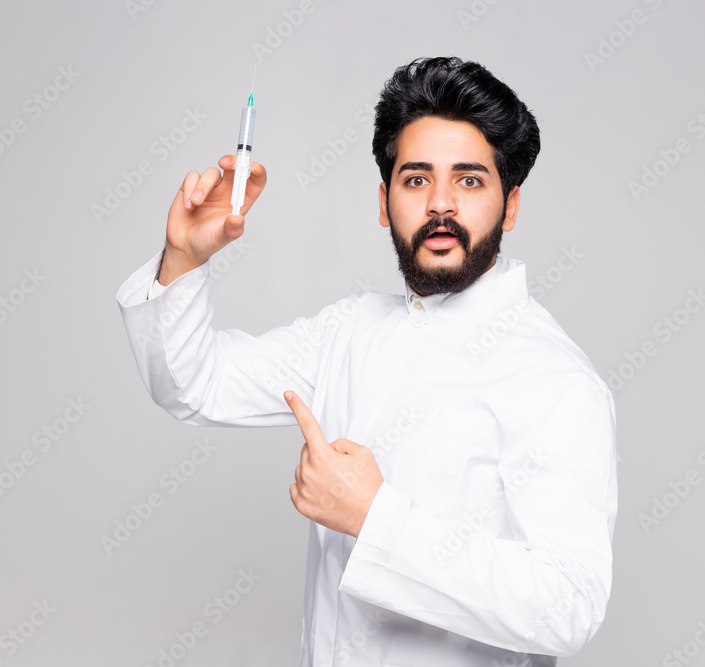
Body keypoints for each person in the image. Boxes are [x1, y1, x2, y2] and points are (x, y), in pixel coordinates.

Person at [116, 56, 617, 667]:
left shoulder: (554, 380)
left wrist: (376, 518)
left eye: (468, 181)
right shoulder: (350, 331)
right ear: (384, 202)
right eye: (415, 180)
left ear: (510, 206)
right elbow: (194, 385)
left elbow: (567, 607)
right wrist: (184, 258)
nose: (440, 206)